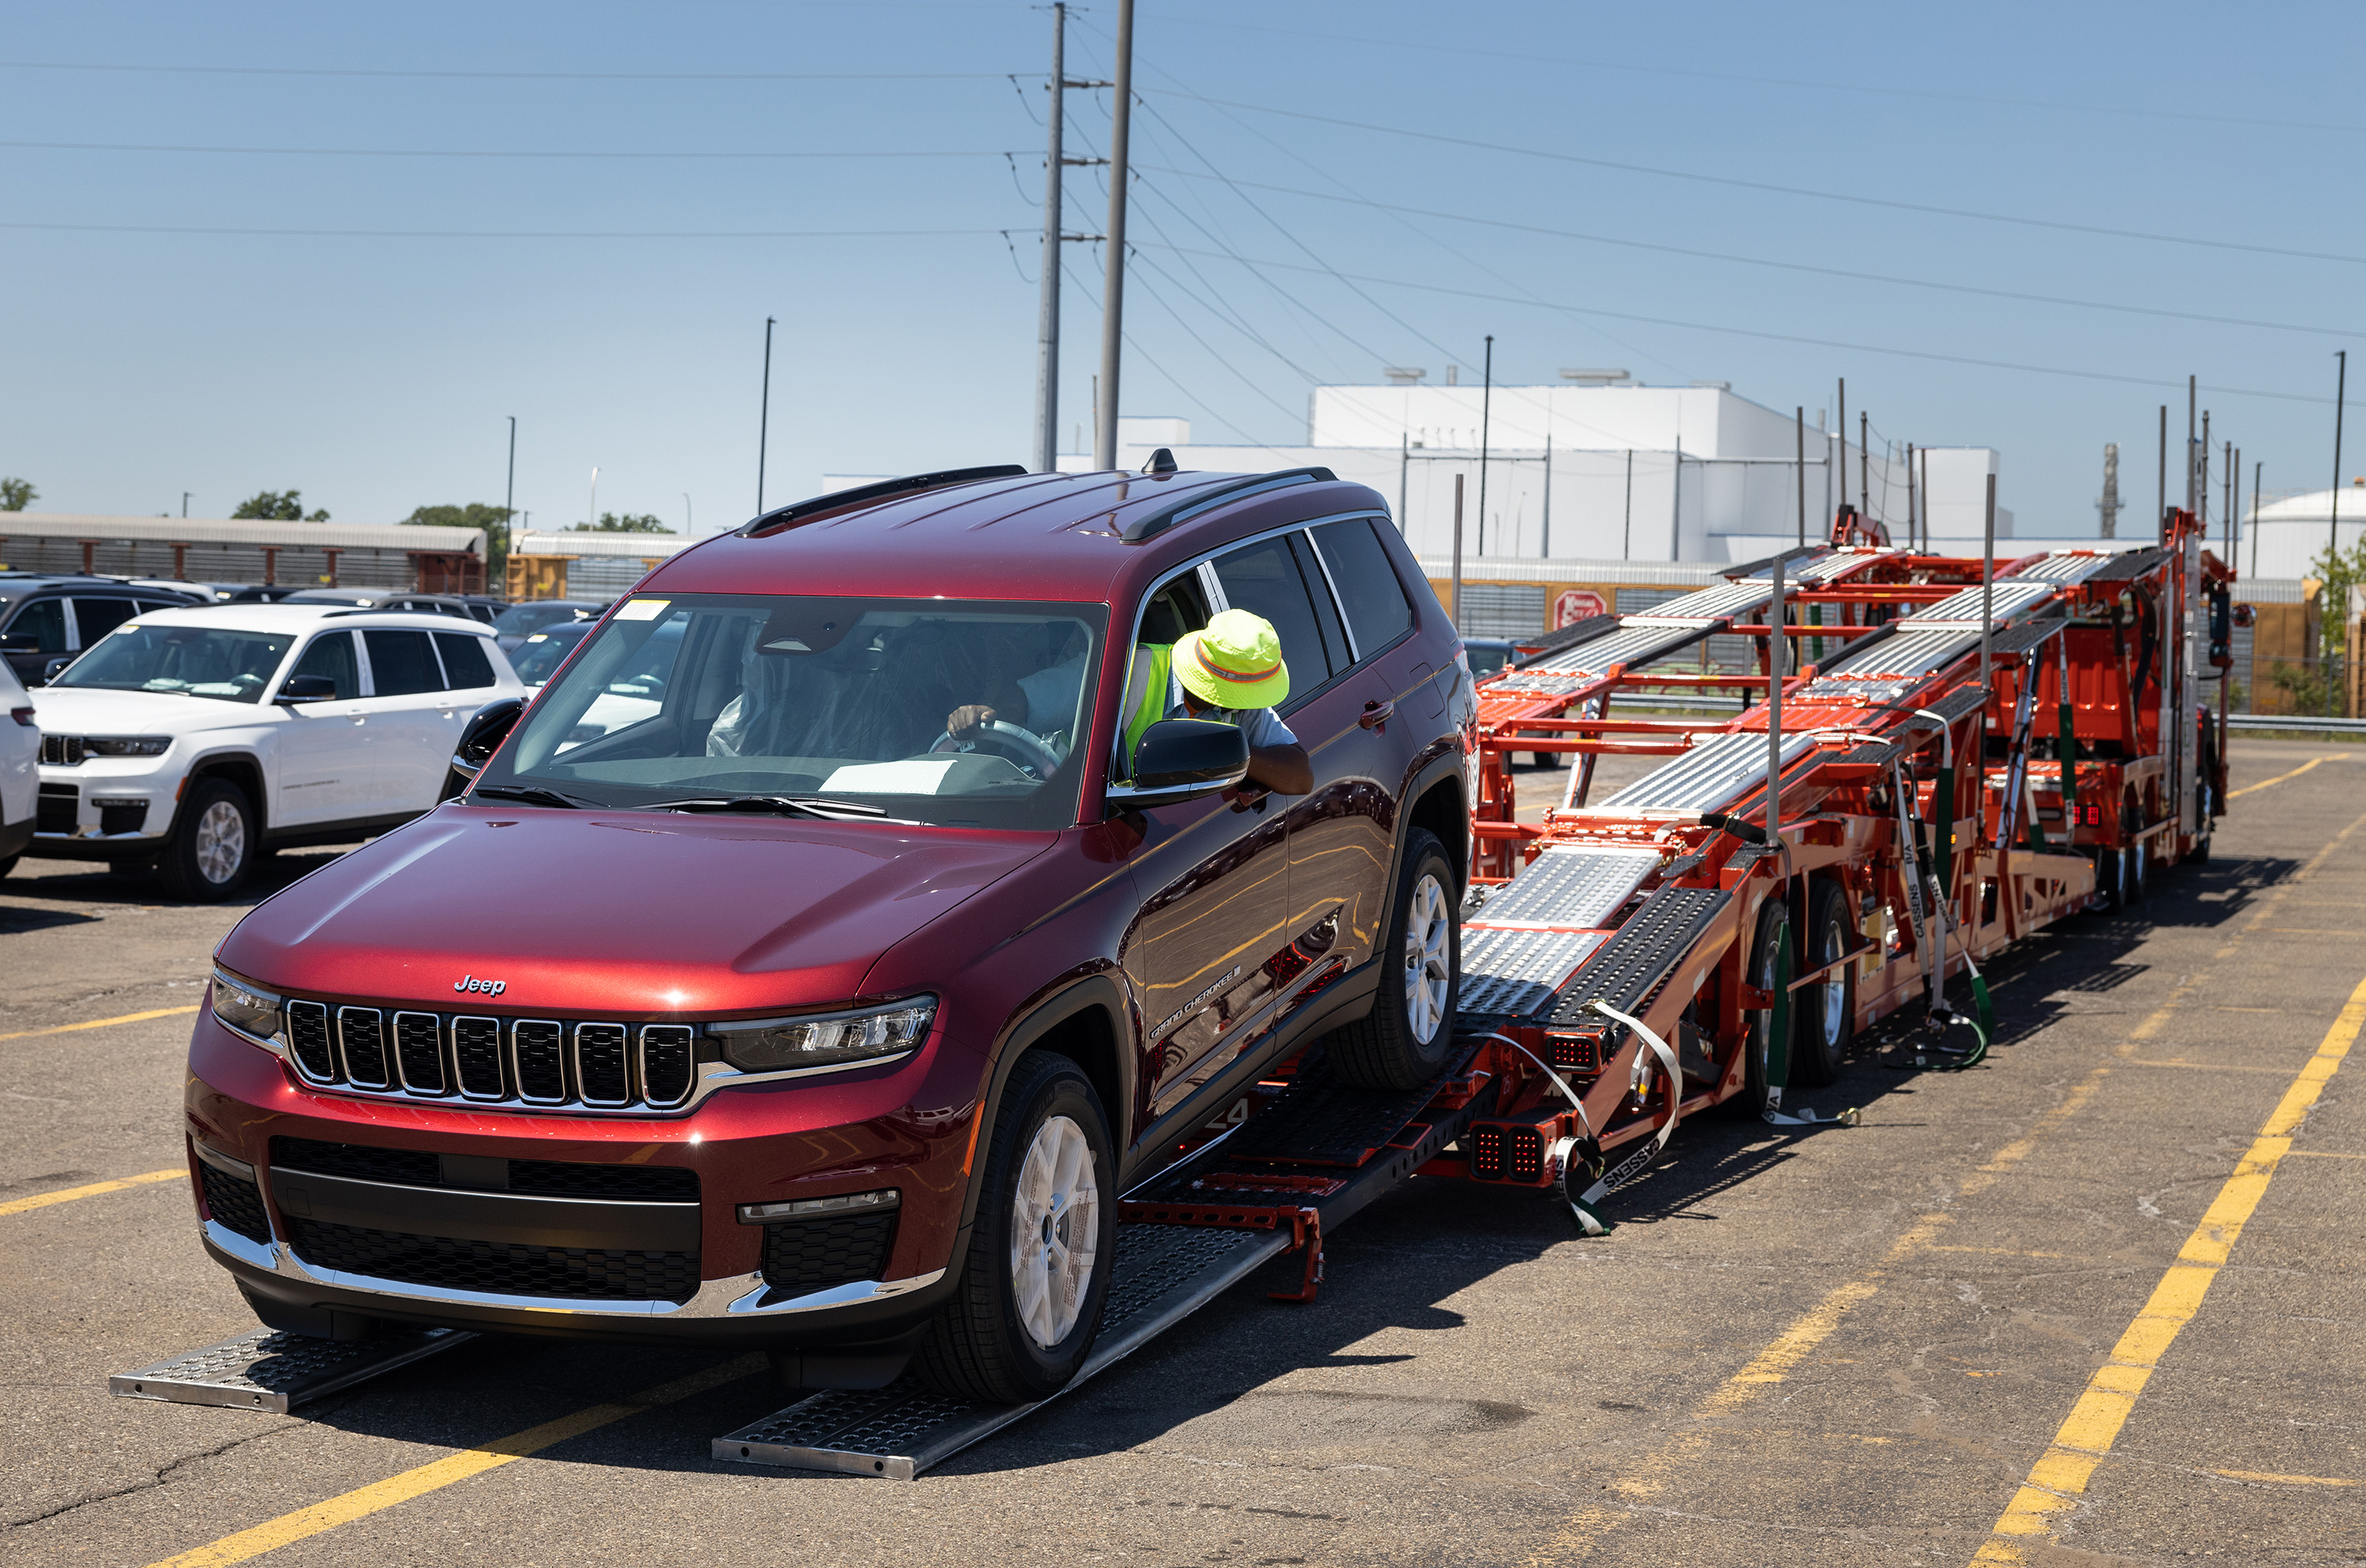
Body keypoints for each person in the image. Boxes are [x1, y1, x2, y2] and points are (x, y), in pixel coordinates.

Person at [948, 607, 1312, 796]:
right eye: (1238, 695)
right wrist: (989, 712)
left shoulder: (1243, 708)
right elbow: (1027, 700)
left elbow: (1300, 776)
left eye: (1248, 696)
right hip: (1078, 811)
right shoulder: (1127, 670)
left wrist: (1238, 757)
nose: (1242, 703)